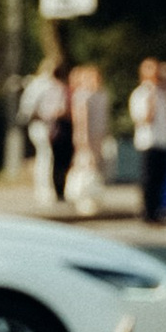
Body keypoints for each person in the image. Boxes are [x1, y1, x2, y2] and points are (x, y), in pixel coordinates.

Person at [131, 57, 166, 225]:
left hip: (163, 140)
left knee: (160, 178)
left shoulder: (163, 94)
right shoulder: (141, 94)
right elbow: (144, 118)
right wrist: (151, 98)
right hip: (149, 141)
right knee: (149, 179)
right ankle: (148, 212)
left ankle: (158, 210)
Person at [65, 62, 111, 217]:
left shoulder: (102, 95)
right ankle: (82, 198)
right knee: (85, 166)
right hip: (86, 136)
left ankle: (93, 198)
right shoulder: (83, 96)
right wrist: (82, 139)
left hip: (98, 135)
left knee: (95, 167)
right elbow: (81, 120)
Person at [21, 53, 69, 201]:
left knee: (46, 157)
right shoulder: (42, 85)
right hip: (42, 124)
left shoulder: (43, 84)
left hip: (46, 125)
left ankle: (45, 189)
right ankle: (43, 190)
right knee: (45, 156)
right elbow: (30, 109)